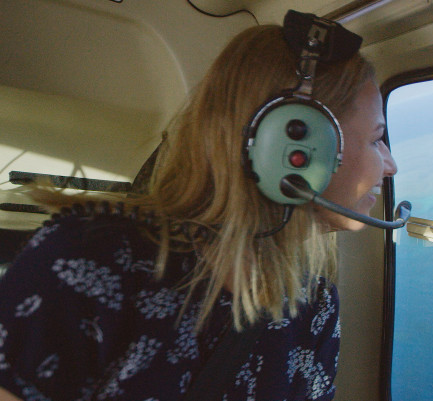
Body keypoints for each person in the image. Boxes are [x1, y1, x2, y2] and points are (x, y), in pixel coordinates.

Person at [0, 11, 396, 401]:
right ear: (294, 143)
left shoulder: (314, 304)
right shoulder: (86, 260)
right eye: (377, 138)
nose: (391, 165)